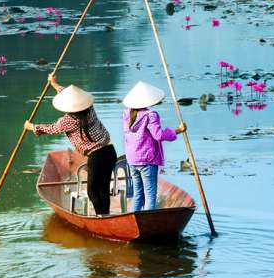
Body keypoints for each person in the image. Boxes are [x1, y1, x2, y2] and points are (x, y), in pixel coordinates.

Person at [25, 72, 117, 215]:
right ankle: (105, 215)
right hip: (110, 151)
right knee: (103, 188)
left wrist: (32, 127)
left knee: (92, 190)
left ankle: (102, 216)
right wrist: (55, 84)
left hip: (97, 156)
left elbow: (52, 129)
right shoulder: (90, 109)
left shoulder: (67, 120)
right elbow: (70, 98)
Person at [121, 81, 185, 212]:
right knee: (150, 195)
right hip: (147, 160)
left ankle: (135, 220)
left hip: (132, 160)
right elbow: (159, 135)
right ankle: (148, 223)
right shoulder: (150, 115)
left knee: (138, 194)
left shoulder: (126, 114)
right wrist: (178, 130)